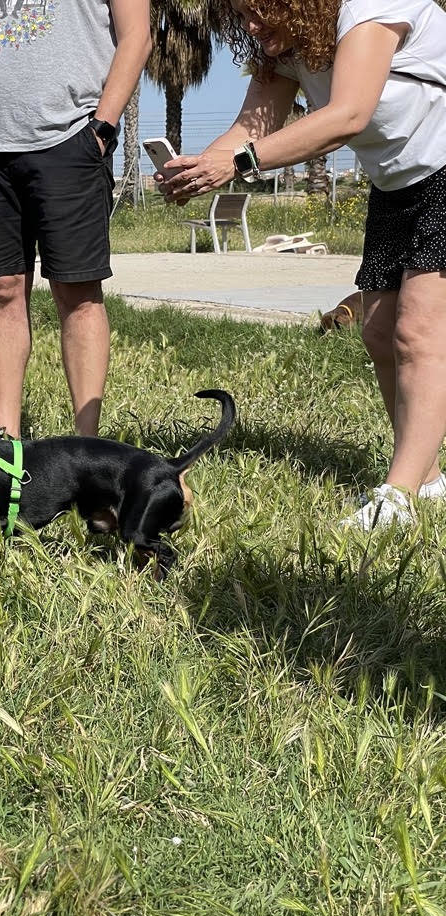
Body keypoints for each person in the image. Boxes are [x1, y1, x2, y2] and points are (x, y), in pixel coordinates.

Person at [160, 0, 446, 530]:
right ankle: (427, 479)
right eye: (240, 16)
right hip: (395, 187)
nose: (250, 25)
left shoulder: (370, 9)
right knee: (380, 333)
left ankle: (398, 495)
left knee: (419, 333)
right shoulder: (289, 50)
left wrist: (239, 163)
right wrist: (202, 166)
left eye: (259, 9)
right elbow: (249, 130)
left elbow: (349, 115)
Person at [0, 0, 151, 438]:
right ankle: (7, 441)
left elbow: (137, 35)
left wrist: (102, 128)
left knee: (77, 291)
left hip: (72, 137)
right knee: (1, 289)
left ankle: (87, 448)